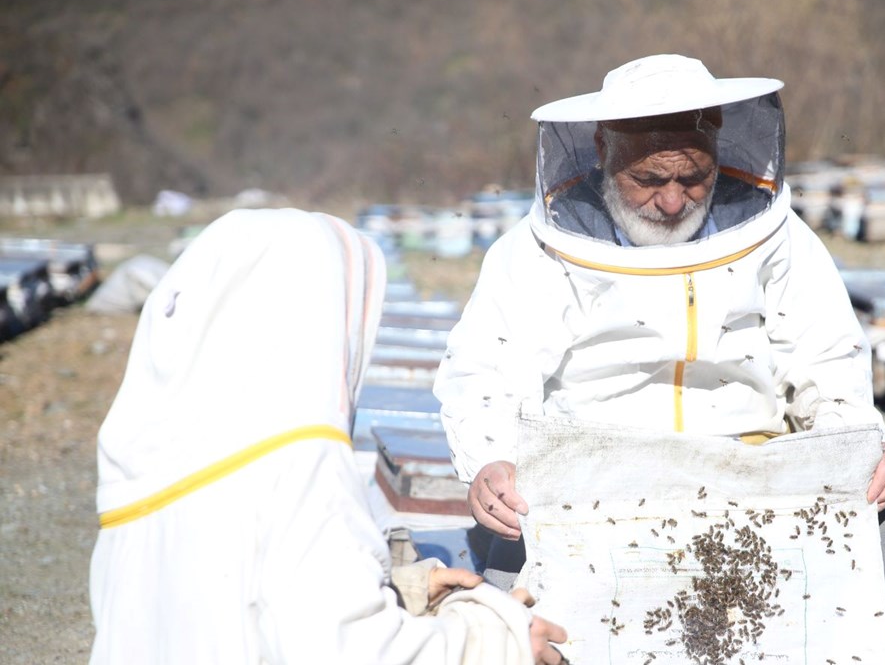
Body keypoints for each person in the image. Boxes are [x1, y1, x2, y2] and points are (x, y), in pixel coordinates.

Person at [434, 54, 885, 663]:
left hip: (755, 470)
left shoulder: (773, 234)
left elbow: (825, 353)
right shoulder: (539, 250)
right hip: (597, 474)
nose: (674, 201)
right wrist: (490, 459)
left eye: (693, 178)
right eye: (650, 180)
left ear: (716, 143)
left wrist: (854, 440)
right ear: (603, 147)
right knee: (501, 585)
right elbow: (489, 365)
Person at [88, 208, 566, 664]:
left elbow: (234, 601)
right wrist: (495, 639)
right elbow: (347, 652)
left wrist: (400, 589)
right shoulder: (296, 469)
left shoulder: (160, 462)